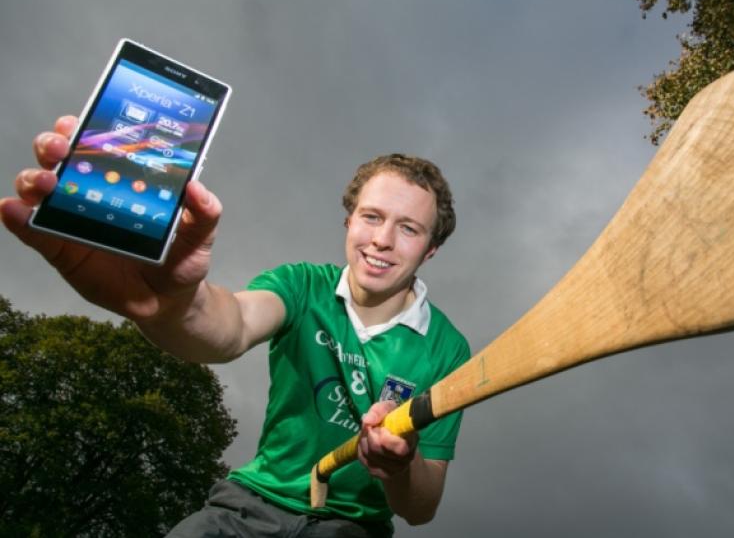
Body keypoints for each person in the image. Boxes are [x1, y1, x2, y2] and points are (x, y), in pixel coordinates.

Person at [0, 115, 471, 537]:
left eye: (409, 228)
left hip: (352, 526)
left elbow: (421, 507)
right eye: (372, 217)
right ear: (349, 222)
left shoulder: (447, 349)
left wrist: (400, 466)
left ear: (430, 250)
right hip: (248, 507)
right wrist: (171, 303)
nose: (382, 240)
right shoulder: (301, 285)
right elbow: (232, 325)